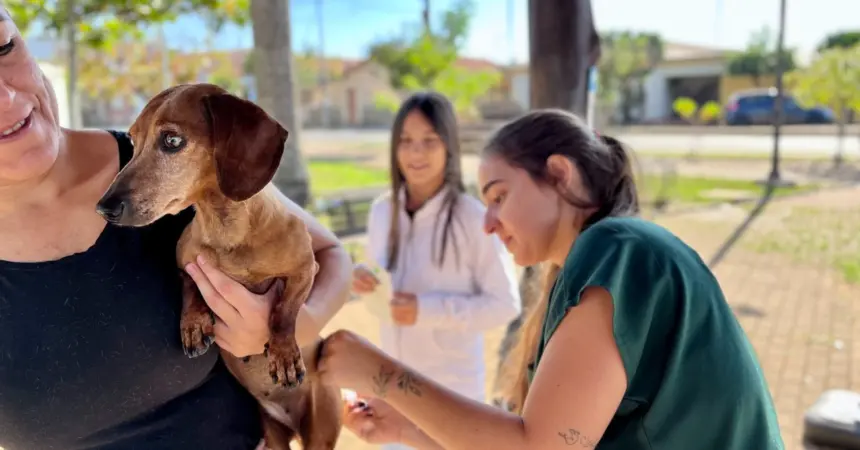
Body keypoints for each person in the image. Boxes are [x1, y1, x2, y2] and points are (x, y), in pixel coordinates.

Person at [322, 109, 785, 450]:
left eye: (499, 196)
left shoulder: (616, 249)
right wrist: (405, 427)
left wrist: (379, 374)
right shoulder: (598, 261)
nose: (488, 223)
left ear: (559, 174)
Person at [0, 11, 352, 450]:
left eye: (3, 47)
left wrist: (286, 332)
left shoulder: (178, 162)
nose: (7, 99)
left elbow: (329, 254)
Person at [350, 91, 521, 445]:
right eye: (407, 141)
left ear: (449, 147)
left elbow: (505, 304)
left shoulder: (473, 217)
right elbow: (380, 281)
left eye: (430, 141)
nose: (416, 153)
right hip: (393, 389)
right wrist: (365, 282)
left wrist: (426, 310)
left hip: (453, 393)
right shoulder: (383, 212)